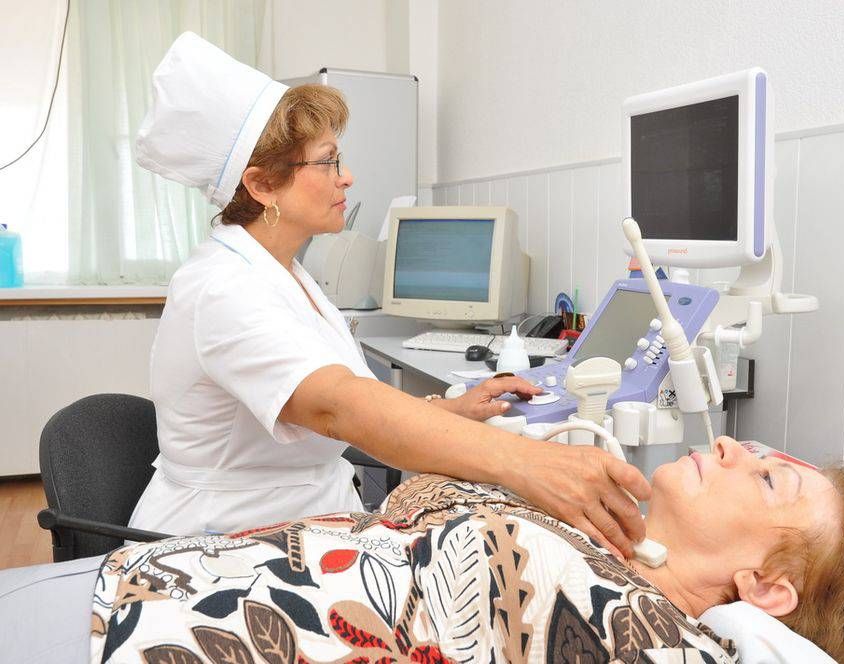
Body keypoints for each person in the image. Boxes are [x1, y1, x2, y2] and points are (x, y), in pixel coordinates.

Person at [126, 32, 650, 560]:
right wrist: (529, 464)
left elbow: (344, 401)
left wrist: (447, 409)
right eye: (328, 162)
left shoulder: (283, 273)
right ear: (262, 185)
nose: (347, 177)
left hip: (298, 522)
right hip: (221, 547)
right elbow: (337, 406)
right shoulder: (222, 287)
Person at [91, 437, 844, 663]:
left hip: (160, 635)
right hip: (165, 586)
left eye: (766, 479)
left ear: (766, 588)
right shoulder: (606, 557)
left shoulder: (641, 634)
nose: (729, 446)